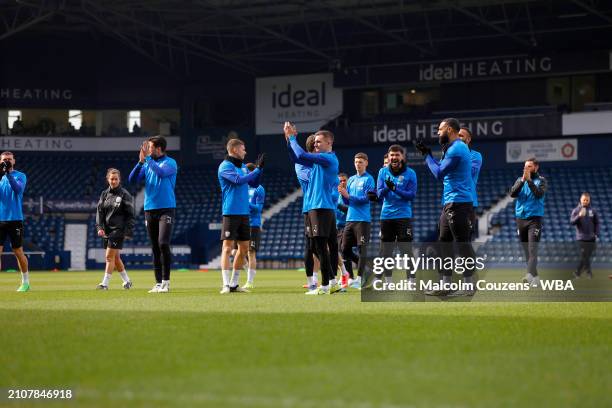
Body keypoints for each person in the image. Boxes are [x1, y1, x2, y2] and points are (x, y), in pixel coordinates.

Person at [415, 118, 477, 296]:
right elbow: (441, 168)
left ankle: (468, 285)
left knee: (462, 243)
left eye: (440, 130)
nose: (437, 133)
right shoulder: (451, 148)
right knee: (444, 243)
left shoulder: (457, 148)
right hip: (450, 202)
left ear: (449, 129)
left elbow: (439, 173)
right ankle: (446, 284)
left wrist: (427, 156)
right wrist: (430, 154)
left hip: (458, 202)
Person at [285, 122, 342, 295]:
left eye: (319, 142)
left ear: (329, 143)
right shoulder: (321, 160)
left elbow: (301, 154)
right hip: (324, 208)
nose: (315, 144)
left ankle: (324, 286)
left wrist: (294, 138)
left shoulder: (327, 158)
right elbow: (297, 158)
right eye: (315, 142)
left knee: (319, 247)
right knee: (328, 246)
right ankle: (332, 281)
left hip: (320, 208)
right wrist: (288, 140)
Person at [128, 135, 178, 293]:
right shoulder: (148, 163)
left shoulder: (171, 163)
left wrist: (147, 159)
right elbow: (132, 179)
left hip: (166, 208)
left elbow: (161, 173)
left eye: (150, 148)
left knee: (163, 243)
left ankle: (166, 282)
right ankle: (158, 283)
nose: (148, 150)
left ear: (158, 148)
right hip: (150, 209)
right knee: (155, 247)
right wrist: (140, 162)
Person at [218, 139, 264, 294]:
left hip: (244, 213)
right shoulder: (225, 166)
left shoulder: (243, 167)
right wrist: (255, 171)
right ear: (235, 150)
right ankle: (225, 284)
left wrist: (259, 170)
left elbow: (254, 184)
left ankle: (234, 284)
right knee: (227, 248)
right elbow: (238, 181)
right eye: (243, 149)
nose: (245, 152)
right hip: (231, 212)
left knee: (244, 248)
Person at [374, 144, 417, 285]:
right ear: (389, 156)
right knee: (387, 251)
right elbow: (379, 194)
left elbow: (411, 195)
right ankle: (388, 281)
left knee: (406, 250)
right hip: (386, 216)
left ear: (402, 157)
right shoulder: (382, 172)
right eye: (392, 155)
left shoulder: (410, 173)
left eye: (397, 155)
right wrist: (388, 187)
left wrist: (395, 188)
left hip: (403, 216)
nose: (394, 157)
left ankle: (411, 280)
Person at [289, 134, 320, 291]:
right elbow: (316, 180)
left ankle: (336, 279)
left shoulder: (323, 161)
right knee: (311, 246)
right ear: (313, 147)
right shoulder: (301, 165)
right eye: (317, 144)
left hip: (325, 207)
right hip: (310, 208)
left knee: (326, 246)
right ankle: (312, 282)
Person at [509, 157, 547, 287]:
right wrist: (523, 181)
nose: (526, 169)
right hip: (521, 219)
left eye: (529, 166)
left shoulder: (541, 181)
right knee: (526, 251)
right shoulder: (520, 180)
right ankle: (535, 277)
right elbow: (512, 194)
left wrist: (529, 181)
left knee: (532, 250)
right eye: (525, 166)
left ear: (536, 167)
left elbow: (538, 194)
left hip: (534, 220)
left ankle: (529, 275)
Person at [339, 153, 375, 289]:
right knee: (344, 249)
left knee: (362, 249)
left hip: (362, 220)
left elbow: (367, 199)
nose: (357, 164)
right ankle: (367, 269)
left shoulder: (369, 179)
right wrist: (343, 194)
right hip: (350, 219)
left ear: (366, 163)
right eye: (356, 162)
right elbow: (347, 200)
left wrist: (349, 196)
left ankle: (360, 279)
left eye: (360, 162)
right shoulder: (352, 179)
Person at [95, 169, 135, 290]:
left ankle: (105, 284)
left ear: (119, 180)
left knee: (108, 257)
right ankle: (127, 281)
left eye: (116, 179)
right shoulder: (104, 194)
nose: (114, 181)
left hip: (118, 230)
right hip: (107, 230)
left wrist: (128, 230)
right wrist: (99, 227)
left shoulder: (125, 194)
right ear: (108, 179)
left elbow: (130, 215)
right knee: (116, 258)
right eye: (111, 179)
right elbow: (99, 212)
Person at [0, 152, 29, 291]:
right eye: (4, 160)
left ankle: (25, 282)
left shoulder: (20, 176)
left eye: (9, 160)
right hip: (0, 219)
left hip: (15, 219)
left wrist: (8, 174)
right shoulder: (0, 179)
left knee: (18, 251)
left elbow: (18, 189)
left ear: (14, 161)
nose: (7, 161)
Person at [458, 127, 482, 240]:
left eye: (461, 135)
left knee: (465, 241)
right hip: (450, 202)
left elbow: (469, 172)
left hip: (468, 202)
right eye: (456, 135)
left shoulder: (475, 156)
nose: (458, 137)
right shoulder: (448, 155)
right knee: (446, 240)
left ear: (468, 139)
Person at [244, 162, 266, 289]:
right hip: (241, 222)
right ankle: (248, 271)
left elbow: (258, 209)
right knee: (236, 251)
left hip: (253, 224)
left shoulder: (259, 188)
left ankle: (250, 282)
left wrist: (246, 204)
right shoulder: (243, 187)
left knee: (251, 252)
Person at [570, 192, 599, 279]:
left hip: (591, 238)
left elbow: (597, 223)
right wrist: (579, 216)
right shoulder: (576, 210)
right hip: (581, 238)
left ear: (589, 200)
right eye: (584, 200)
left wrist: (596, 234)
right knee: (584, 255)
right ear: (581, 200)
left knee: (586, 257)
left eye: (587, 200)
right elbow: (572, 222)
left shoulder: (593, 211)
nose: (585, 201)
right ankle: (589, 273)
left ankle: (577, 272)